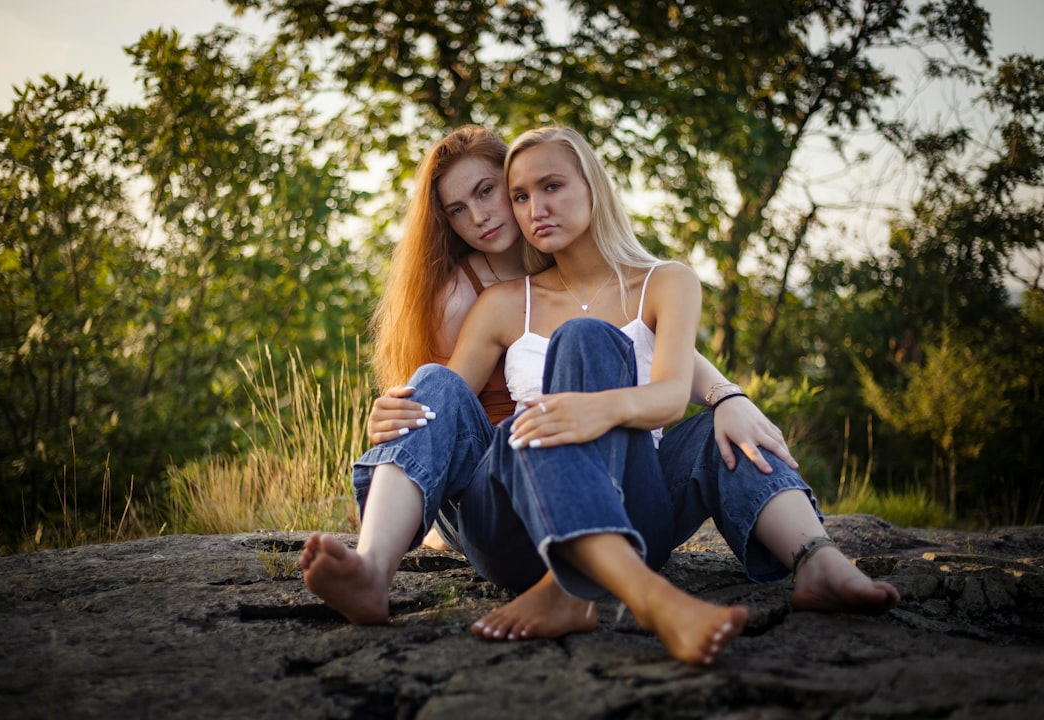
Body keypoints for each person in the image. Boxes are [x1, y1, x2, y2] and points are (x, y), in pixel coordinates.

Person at [300, 126, 900, 666]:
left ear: (591, 184)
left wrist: (725, 397)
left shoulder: (662, 281)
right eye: (517, 197)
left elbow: (665, 375)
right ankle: (374, 571)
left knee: (685, 406)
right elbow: (451, 412)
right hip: (513, 515)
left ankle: (818, 560)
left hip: (633, 499)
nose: (523, 210)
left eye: (542, 187)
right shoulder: (489, 300)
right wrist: (398, 408)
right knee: (464, 398)